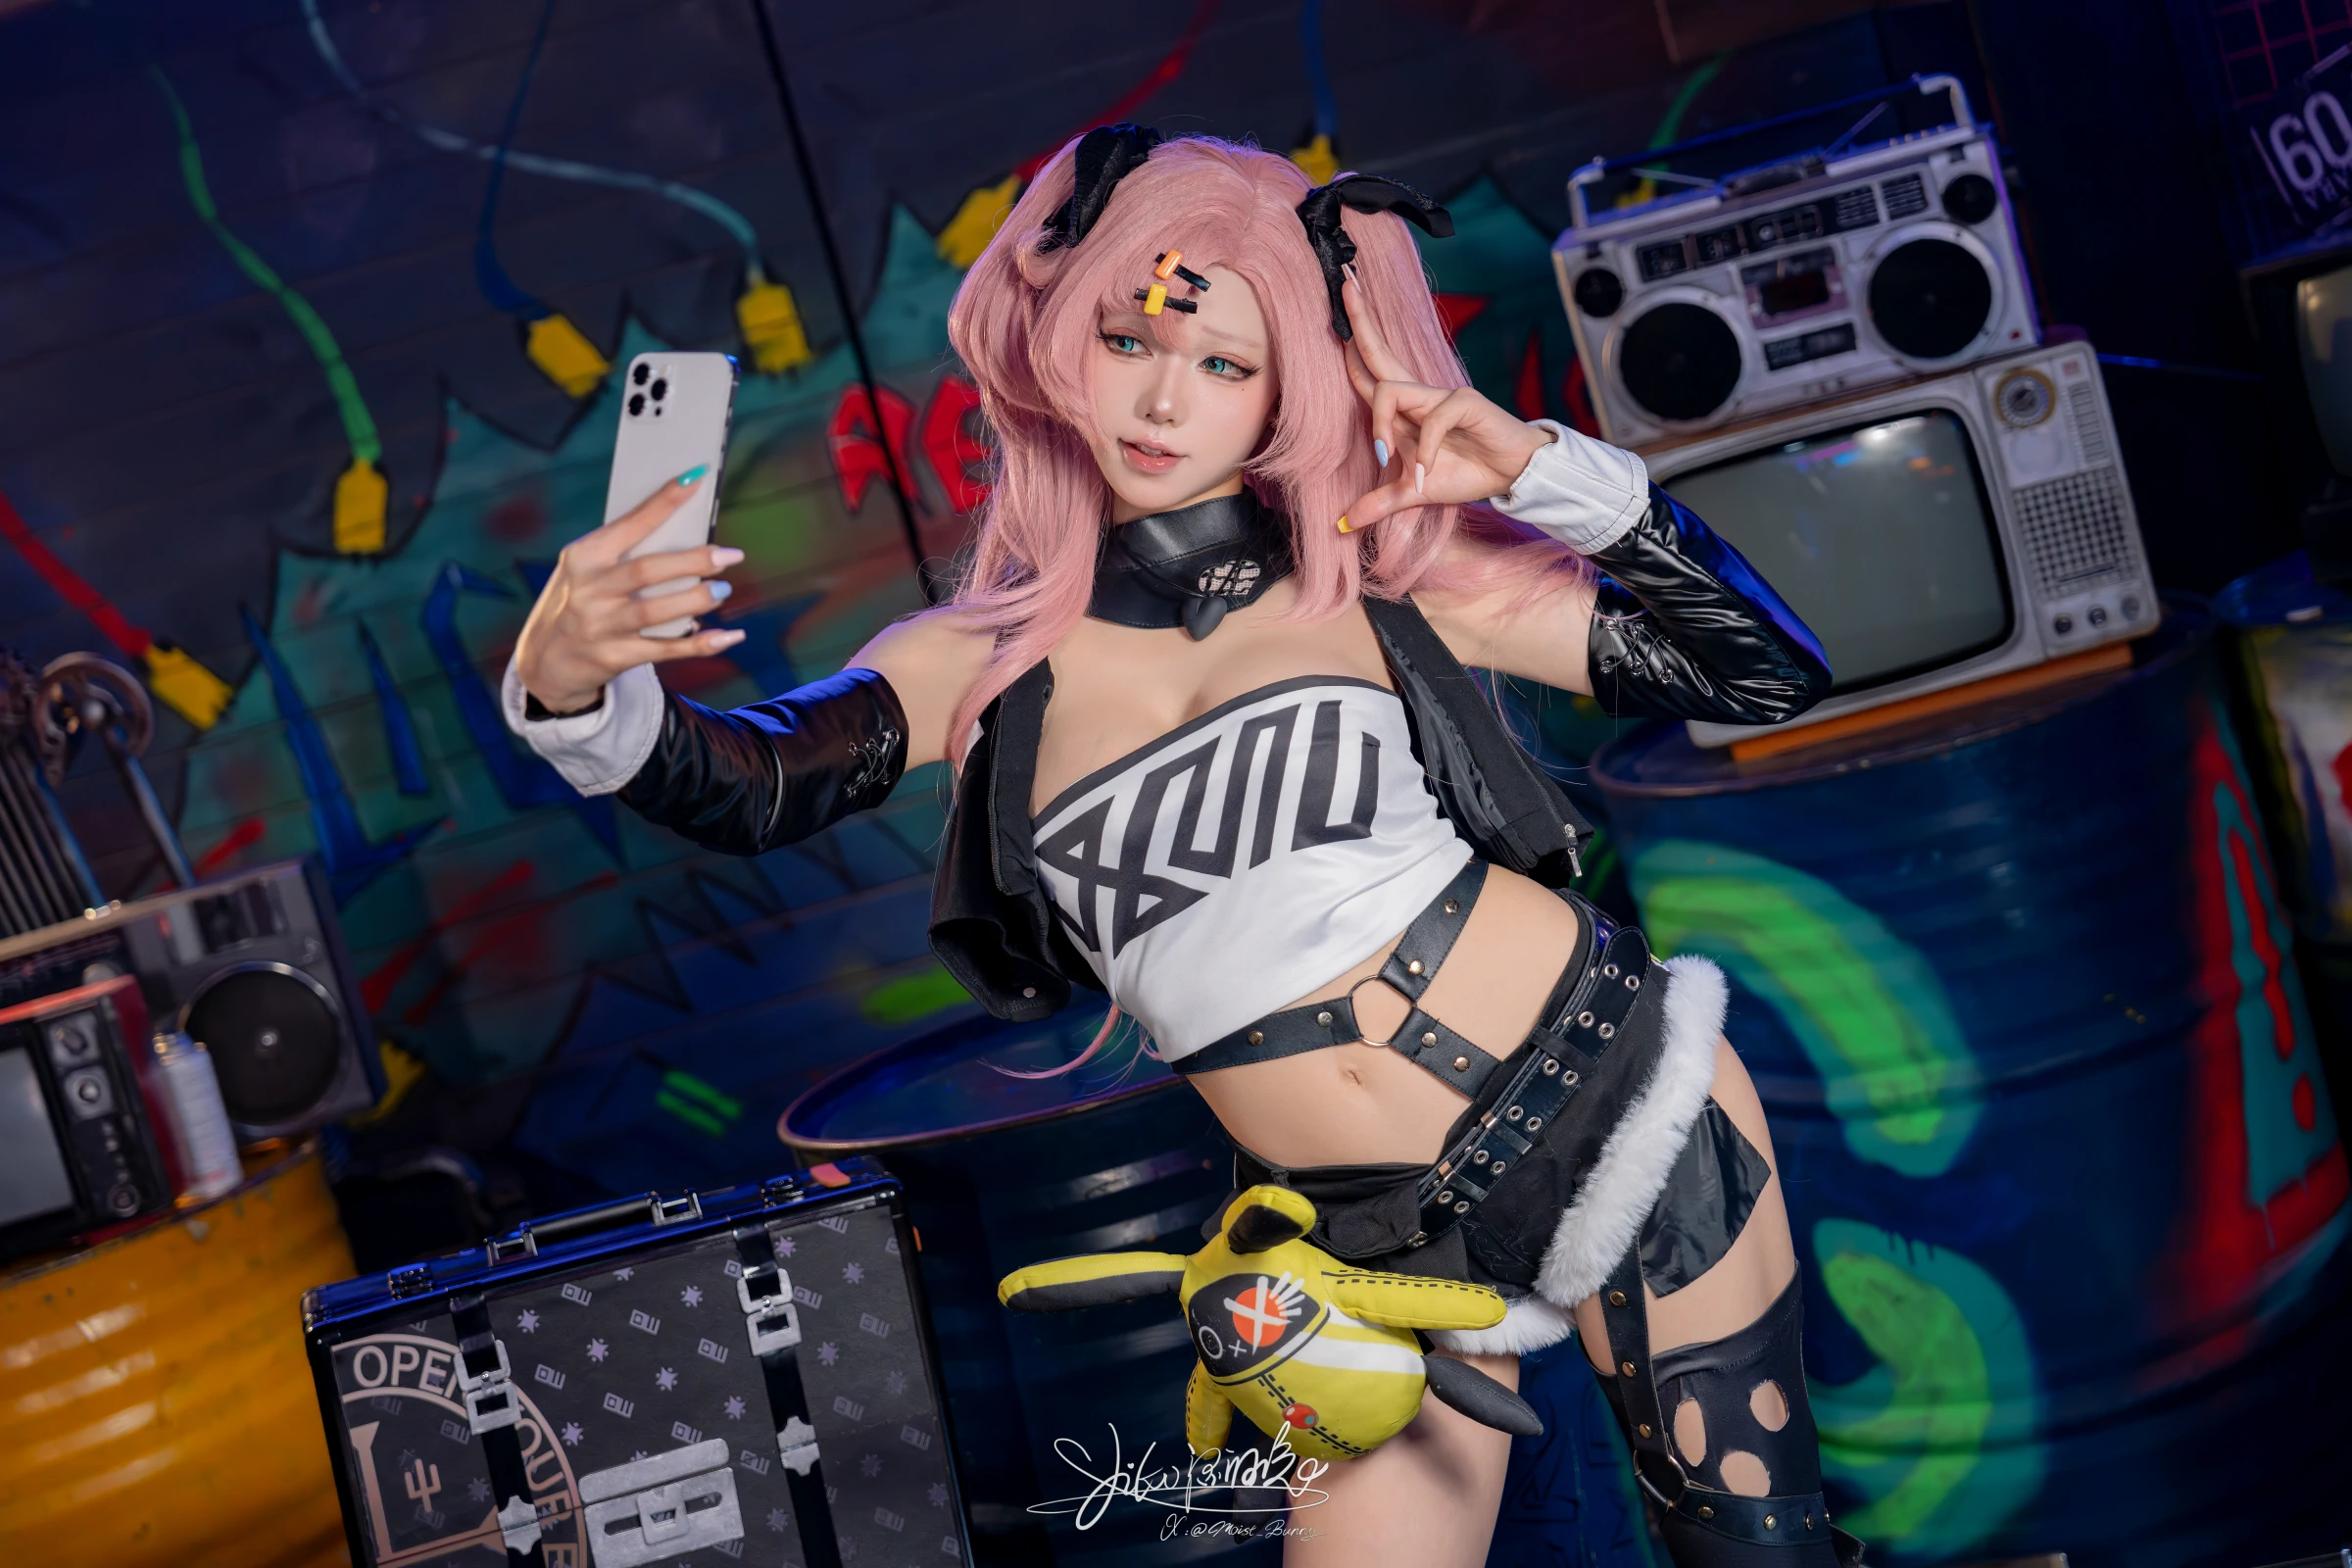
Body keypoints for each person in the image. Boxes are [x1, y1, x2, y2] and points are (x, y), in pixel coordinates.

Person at [505, 128, 1854, 1568]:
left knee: (1753, 1555)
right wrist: (573, 680)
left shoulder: (1384, 571)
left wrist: (1538, 470)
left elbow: (1764, 670)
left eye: (1225, 362)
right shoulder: (979, 664)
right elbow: (746, 786)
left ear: (1292, 385)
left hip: (1608, 1100)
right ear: (1057, 341)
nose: (1163, 400)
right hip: (1357, 1242)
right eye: (1128, 339)